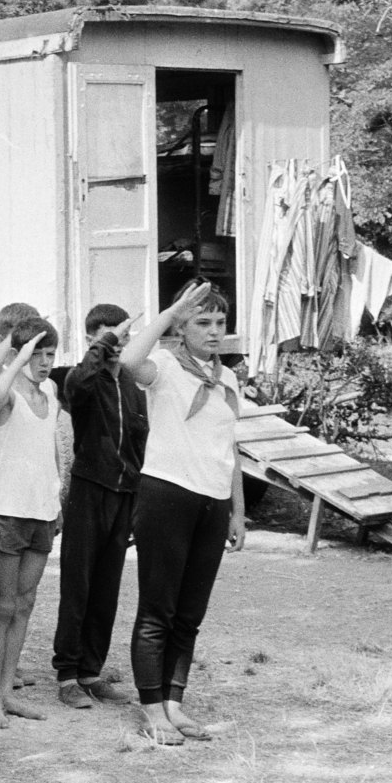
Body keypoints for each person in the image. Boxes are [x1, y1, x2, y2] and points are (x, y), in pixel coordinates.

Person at [119, 280, 245, 745]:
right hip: (168, 496)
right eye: (202, 322)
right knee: (158, 610)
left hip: (212, 501)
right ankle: (152, 708)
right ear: (182, 328)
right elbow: (128, 361)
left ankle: (174, 702)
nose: (213, 331)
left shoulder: (228, 378)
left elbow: (229, 446)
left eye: (220, 323)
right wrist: (170, 314)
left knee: (190, 613)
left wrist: (236, 511)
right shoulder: (166, 366)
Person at [54, 305, 147, 709]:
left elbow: (140, 443)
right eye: (110, 336)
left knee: (107, 588)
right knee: (78, 584)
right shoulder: (83, 379)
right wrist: (103, 345)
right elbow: (78, 383)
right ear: (92, 339)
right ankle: (67, 675)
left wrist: (138, 499)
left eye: (123, 335)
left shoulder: (131, 383)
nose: (118, 343)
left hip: (124, 494)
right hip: (89, 489)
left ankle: (91, 672)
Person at [0, 319, 62, 730]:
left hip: (42, 510)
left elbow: (51, 451)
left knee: (25, 603)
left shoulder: (52, 393)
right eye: (37, 354)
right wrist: (18, 356)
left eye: (50, 354)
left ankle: (8, 691)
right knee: (2, 605)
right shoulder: (8, 391)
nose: (44, 362)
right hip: (7, 510)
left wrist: (57, 499)